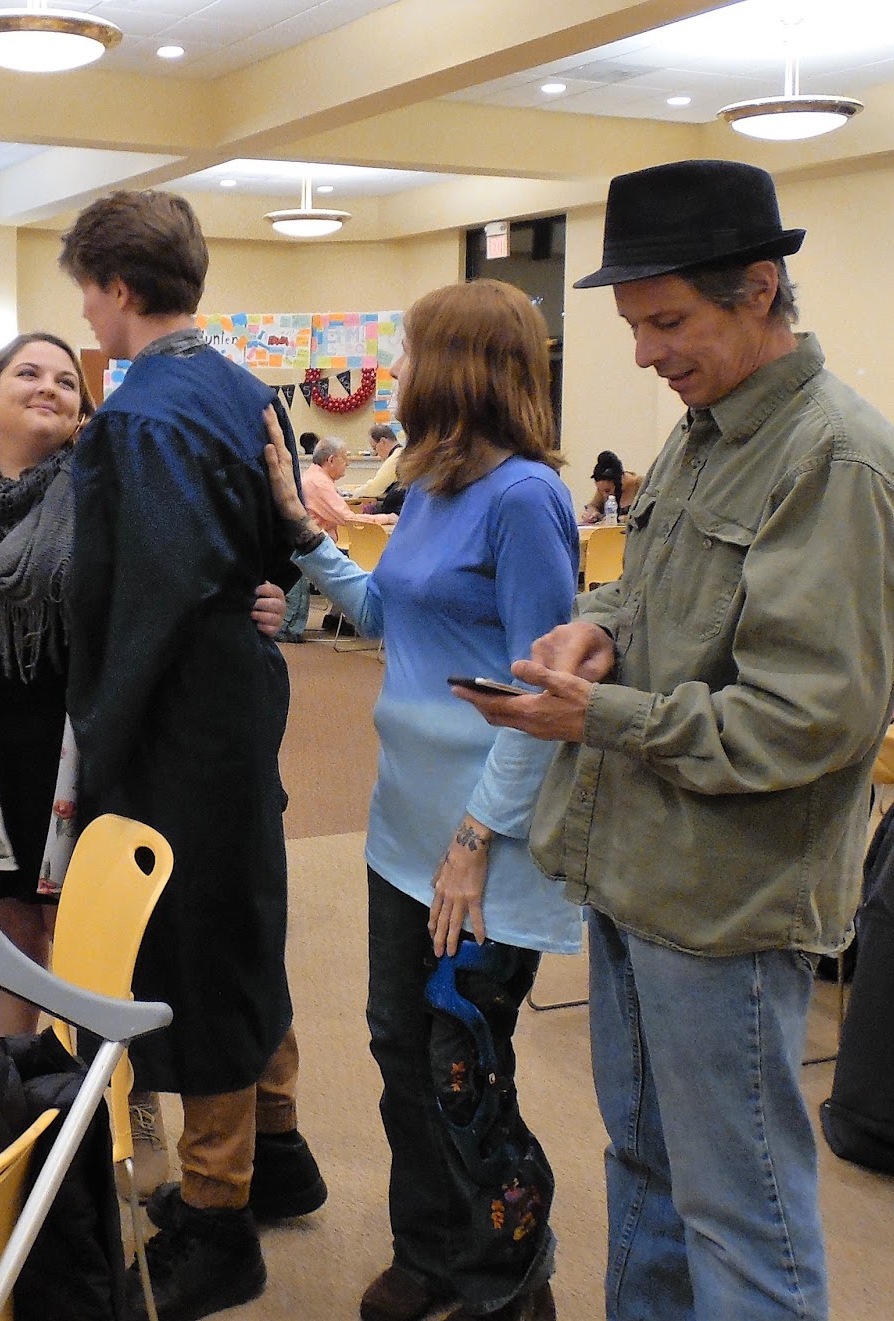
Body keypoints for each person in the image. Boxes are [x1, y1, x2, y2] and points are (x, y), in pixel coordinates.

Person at [455, 160, 894, 1321]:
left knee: (743, 1216)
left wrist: (596, 716)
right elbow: (657, 599)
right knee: (647, 1176)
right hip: (635, 874)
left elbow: (807, 724)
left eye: (666, 322)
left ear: (760, 288)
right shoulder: (702, 434)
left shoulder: (838, 461)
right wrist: (595, 631)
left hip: (728, 901)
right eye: (632, 324)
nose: (642, 353)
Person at [263, 279, 579, 1321]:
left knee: (463, 1066)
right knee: (400, 1047)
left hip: (477, 838)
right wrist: (301, 540)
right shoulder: (432, 484)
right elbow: (392, 617)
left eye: (403, 354)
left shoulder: (526, 498)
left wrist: (477, 839)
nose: (390, 374)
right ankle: (433, 1249)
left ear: (455, 367)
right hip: (402, 825)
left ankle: (509, 1282)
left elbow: (544, 692)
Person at [0, 331, 291, 1039]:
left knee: (89, 937)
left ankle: (100, 1106)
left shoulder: (107, 498)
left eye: (64, 380)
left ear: (82, 409)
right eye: (27, 372)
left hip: (85, 755)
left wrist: (254, 601)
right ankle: (8, 1103)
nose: (48, 386)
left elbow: (182, 584)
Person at [60, 188, 323, 1321]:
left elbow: (148, 596)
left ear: (117, 289)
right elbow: (281, 537)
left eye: (86, 289)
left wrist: (99, 727)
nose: (86, 310)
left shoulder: (142, 412)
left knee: (199, 946)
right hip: (237, 687)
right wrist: (266, 598)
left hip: (177, 708)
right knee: (243, 911)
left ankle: (218, 1221)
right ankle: (280, 1146)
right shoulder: (238, 385)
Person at [302, 437, 396, 535]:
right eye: (344, 458)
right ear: (331, 460)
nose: (348, 463)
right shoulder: (319, 483)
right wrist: (387, 518)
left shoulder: (313, 476)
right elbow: (349, 519)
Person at [355, 423, 403, 498]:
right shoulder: (401, 452)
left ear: (383, 441)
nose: (375, 453)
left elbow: (374, 489)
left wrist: (353, 494)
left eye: (374, 448)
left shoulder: (395, 459)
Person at [577, 450, 625, 524]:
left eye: (607, 490)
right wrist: (593, 513)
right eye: (599, 490)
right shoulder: (604, 489)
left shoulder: (638, 484)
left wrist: (625, 519)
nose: (604, 495)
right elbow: (592, 506)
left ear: (618, 482)